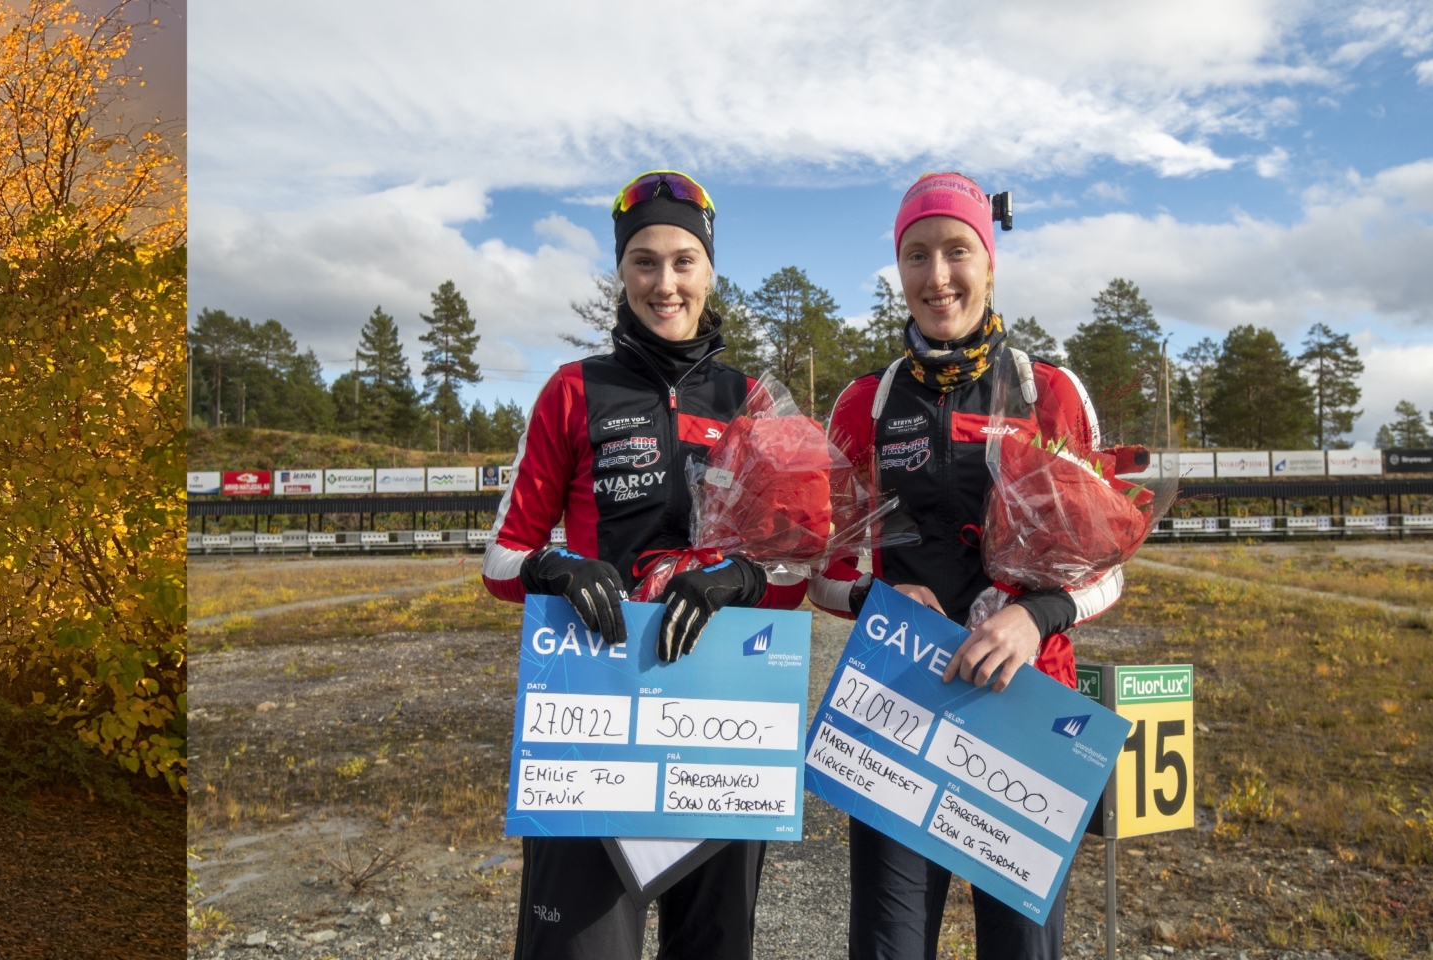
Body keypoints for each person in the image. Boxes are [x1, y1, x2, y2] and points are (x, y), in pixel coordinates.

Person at [480, 169, 809, 960]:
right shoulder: (572, 390)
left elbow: (797, 570)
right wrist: (554, 568)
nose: (665, 284)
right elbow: (502, 557)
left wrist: (746, 579)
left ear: (710, 270)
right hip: (594, 710)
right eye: (645, 262)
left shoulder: (755, 401)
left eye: (683, 261)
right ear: (622, 272)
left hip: (720, 712)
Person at [807, 172, 1120, 960]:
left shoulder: (1049, 392)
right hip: (897, 700)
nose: (936, 276)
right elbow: (817, 570)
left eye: (956, 251)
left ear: (989, 260)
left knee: (1020, 946)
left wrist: (1034, 614)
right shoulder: (863, 404)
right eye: (916, 256)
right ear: (898, 269)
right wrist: (877, 593)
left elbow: (1108, 572)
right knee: (890, 944)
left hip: (1026, 704)